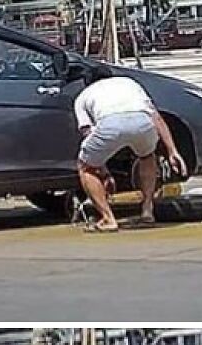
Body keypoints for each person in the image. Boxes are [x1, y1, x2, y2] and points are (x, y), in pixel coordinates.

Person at [75, 66, 188, 232]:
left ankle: (108, 218)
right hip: (142, 121)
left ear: (87, 83)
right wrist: (172, 151)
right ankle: (147, 210)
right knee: (147, 156)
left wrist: (104, 172)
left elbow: (88, 132)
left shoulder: (84, 96)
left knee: (85, 167)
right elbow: (156, 117)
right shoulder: (129, 83)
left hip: (110, 124)